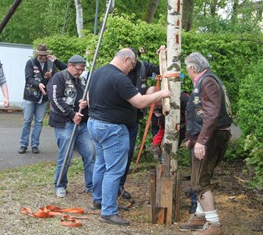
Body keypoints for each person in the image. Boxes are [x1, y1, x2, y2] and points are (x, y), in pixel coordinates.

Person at [87, 48, 171, 226]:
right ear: (126, 60)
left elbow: (88, 96)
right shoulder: (119, 78)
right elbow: (140, 102)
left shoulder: (98, 72)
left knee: (101, 164)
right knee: (114, 170)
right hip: (112, 129)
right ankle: (108, 212)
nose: (132, 69)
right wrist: (162, 94)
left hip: (95, 123)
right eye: (132, 65)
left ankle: (98, 200)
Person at [179, 52, 232, 235]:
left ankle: (214, 224)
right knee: (201, 177)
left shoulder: (207, 82)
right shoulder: (208, 80)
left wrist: (201, 141)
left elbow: (212, 113)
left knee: (200, 182)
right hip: (211, 136)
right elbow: (200, 113)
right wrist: (191, 138)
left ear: (192, 68)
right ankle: (201, 216)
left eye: (188, 69)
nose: (188, 72)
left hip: (211, 137)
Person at [118, 46, 164, 200]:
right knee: (116, 155)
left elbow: (164, 70)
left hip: (133, 120)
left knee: (128, 153)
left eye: (132, 63)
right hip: (118, 120)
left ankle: (120, 186)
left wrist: (164, 54)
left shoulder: (143, 67)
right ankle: (108, 187)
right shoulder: (116, 72)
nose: (130, 67)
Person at [47, 55, 95, 198]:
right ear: (70, 66)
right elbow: (55, 100)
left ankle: (91, 185)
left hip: (82, 125)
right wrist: (71, 114)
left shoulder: (80, 80)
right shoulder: (59, 78)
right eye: (78, 69)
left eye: (82, 70)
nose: (80, 72)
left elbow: (84, 97)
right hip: (65, 124)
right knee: (65, 155)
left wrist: (85, 103)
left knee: (90, 153)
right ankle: (60, 184)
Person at [18, 44, 65, 154]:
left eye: (44, 55)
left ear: (47, 54)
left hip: (43, 97)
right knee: (27, 121)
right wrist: (38, 84)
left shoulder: (50, 64)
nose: (42, 57)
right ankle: (23, 144)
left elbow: (56, 77)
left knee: (39, 121)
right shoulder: (30, 63)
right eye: (39, 55)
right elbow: (28, 78)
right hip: (30, 95)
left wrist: (50, 77)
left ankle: (35, 144)